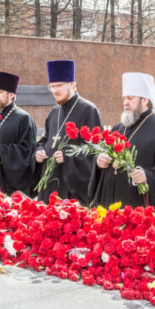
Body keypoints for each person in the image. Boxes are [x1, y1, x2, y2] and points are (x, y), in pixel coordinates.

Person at [89, 72, 155, 208]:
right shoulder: (118, 128)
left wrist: (148, 175)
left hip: (137, 206)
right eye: (124, 98)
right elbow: (101, 157)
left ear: (145, 100)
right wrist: (99, 161)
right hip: (110, 202)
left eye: (130, 98)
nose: (125, 102)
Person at [34, 60, 102, 205]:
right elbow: (45, 139)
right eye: (52, 86)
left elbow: (95, 151)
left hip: (71, 190)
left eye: (59, 85)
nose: (55, 91)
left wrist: (68, 157)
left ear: (72, 84)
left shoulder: (88, 110)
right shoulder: (54, 112)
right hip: (49, 186)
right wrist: (39, 150)